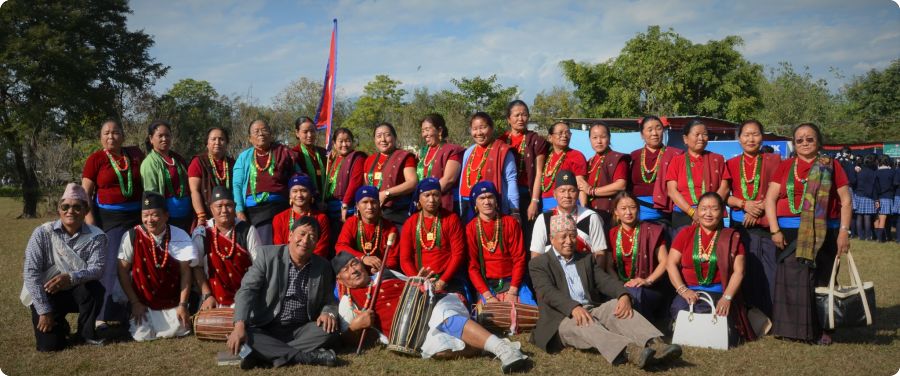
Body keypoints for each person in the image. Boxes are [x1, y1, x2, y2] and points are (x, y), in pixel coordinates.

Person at [332, 252, 529, 373]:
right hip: (411, 333)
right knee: (439, 351)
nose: (353, 270)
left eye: (354, 264)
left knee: (446, 319)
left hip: (432, 305)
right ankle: (493, 344)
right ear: (340, 280)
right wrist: (355, 326)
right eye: (346, 270)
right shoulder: (348, 302)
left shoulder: (387, 273)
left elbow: (413, 282)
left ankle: (505, 352)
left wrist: (418, 282)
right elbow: (346, 339)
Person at [529, 214, 681, 369]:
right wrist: (573, 307)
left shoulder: (585, 259)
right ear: (551, 238)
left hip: (591, 309)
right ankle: (631, 352)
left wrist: (623, 294)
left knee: (616, 305)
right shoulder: (539, 264)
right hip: (561, 319)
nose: (569, 241)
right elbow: (547, 292)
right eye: (563, 237)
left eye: (573, 236)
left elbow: (605, 280)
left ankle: (656, 344)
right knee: (584, 323)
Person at [765, 123, 851, 345]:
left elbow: (846, 200)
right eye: (800, 140)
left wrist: (843, 232)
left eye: (809, 139)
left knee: (822, 279)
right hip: (789, 233)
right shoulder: (785, 167)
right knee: (793, 281)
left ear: (819, 142)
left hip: (824, 232)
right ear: (794, 143)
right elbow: (770, 199)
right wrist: (774, 230)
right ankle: (793, 329)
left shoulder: (831, 166)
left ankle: (824, 327)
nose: (804, 143)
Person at [226, 216, 340, 369]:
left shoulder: (322, 266)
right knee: (248, 335)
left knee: (329, 331)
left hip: (301, 328)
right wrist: (239, 325)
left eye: (312, 237)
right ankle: (306, 357)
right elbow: (247, 290)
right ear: (290, 235)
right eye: (302, 234)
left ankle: (263, 354)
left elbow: (329, 300)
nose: (305, 240)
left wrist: (328, 313)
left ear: (316, 243)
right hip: (266, 325)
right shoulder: (267, 255)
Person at [21, 183, 108, 351]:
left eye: (77, 207)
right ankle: (59, 323)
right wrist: (44, 311)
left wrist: (70, 278)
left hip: (76, 290)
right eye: (65, 206)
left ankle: (86, 333)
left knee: (95, 289)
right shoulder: (42, 233)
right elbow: (31, 274)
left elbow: (97, 268)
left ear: (85, 210)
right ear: (59, 210)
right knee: (49, 346)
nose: (70, 211)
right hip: (47, 293)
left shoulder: (97, 236)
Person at [667, 192, 756, 345]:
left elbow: (739, 271)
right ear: (697, 211)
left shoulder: (731, 237)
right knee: (679, 309)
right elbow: (670, 264)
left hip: (719, 293)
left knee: (718, 317)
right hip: (689, 292)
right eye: (703, 208)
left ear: (723, 212)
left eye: (714, 209)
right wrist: (683, 290)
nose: (708, 213)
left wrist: (727, 298)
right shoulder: (685, 233)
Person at [81, 119, 144, 324]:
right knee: (111, 265)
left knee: (137, 263)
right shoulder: (96, 159)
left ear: (123, 136)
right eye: (106, 133)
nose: (111, 136)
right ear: (100, 138)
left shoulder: (134, 155)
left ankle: (136, 308)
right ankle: (104, 315)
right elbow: (86, 194)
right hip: (109, 220)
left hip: (136, 217)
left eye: (115, 132)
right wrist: (91, 224)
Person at [117, 191, 195, 342]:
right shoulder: (131, 236)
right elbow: (122, 271)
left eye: (154, 215)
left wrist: (183, 304)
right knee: (141, 336)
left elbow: (186, 272)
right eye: (145, 215)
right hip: (143, 303)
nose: (149, 220)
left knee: (181, 330)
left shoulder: (180, 235)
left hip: (172, 301)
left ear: (166, 215)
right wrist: (135, 303)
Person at [723, 120, 781, 317]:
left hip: (766, 224)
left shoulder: (774, 161)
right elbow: (723, 195)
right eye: (746, 135)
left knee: (769, 271)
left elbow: (779, 192)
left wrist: (758, 208)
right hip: (740, 226)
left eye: (755, 134)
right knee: (743, 269)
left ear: (762, 137)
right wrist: (743, 204)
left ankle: (772, 313)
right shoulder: (730, 164)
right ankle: (747, 314)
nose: (750, 139)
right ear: (739, 139)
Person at [190, 186, 261, 309]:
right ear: (211, 209)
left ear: (234, 207)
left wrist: (249, 295)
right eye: (219, 206)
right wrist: (207, 296)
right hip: (213, 300)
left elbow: (259, 266)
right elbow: (197, 267)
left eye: (228, 205)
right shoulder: (201, 233)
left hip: (246, 297)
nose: (224, 210)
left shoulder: (247, 230)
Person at [466, 181, 535, 305]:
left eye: (490, 197)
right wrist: (487, 296)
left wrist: (513, 291)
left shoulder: (510, 223)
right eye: (482, 198)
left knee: (530, 315)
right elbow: (472, 268)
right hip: (487, 286)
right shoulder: (470, 228)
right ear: (475, 203)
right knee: (487, 319)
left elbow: (519, 259)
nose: (487, 202)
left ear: (496, 200)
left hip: (514, 282)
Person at [233, 119, 299, 245]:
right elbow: (237, 185)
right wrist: (239, 211)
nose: (261, 134)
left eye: (264, 130)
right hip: (255, 212)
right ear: (250, 138)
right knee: (263, 248)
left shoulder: (284, 153)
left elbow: (298, 178)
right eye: (256, 131)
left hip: (281, 208)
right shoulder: (244, 157)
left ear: (271, 134)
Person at [606, 191, 669, 320]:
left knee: (636, 293)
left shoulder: (652, 230)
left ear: (638, 209)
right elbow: (609, 266)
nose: (628, 212)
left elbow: (665, 261)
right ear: (616, 212)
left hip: (649, 287)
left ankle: (644, 335)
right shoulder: (612, 233)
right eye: (623, 208)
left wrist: (647, 280)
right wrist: (620, 286)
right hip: (622, 286)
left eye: (632, 207)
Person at [399, 178, 467, 295]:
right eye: (427, 195)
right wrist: (417, 280)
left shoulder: (451, 219)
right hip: (419, 280)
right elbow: (405, 259)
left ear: (441, 197)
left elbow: (458, 254)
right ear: (419, 199)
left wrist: (442, 281)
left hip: (448, 280)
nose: (431, 200)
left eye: (435, 195)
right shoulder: (410, 223)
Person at [497, 100, 549, 248]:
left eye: (524, 115)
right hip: (506, 197)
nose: (521, 119)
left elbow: (539, 172)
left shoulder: (536, 140)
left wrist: (534, 201)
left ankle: (529, 270)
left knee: (529, 237)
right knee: (508, 236)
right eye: (517, 115)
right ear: (508, 119)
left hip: (528, 195)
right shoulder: (501, 141)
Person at [530, 170, 608, 266]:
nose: (567, 196)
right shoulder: (544, 219)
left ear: (578, 193)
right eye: (562, 191)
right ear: (554, 194)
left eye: (572, 191)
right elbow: (536, 254)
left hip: (585, 275)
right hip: (553, 275)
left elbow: (600, 253)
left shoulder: (591, 217)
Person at [665, 119, 729, 230]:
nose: (701, 138)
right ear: (685, 139)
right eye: (697, 134)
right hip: (684, 215)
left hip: (712, 215)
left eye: (704, 134)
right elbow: (672, 191)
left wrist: (709, 211)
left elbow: (725, 188)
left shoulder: (717, 159)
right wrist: (693, 212)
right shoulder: (676, 161)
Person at [459, 112, 519, 222]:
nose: (479, 133)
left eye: (483, 128)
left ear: (491, 128)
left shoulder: (503, 151)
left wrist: (514, 209)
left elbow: (511, 180)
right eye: (474, 129)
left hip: (491, 206)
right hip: (468, 205)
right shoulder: (469, 152)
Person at [629, 116, 683, 227]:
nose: (654, 133)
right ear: (642, 134)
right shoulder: (634, 156)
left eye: (658, 128)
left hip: (665, 214)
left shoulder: (676, 155)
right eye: (649, 130)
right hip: (635, 214)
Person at [363, 122, 418, 229]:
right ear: (374, 140)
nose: (383, 139)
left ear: (395, 137)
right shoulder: (369, 160)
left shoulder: (405, 157)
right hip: (373, 212)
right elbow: (365, 186)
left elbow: (412, 183)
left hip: (397, 212)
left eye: (387, 135)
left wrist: (386, 193)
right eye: (378, 136)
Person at [140, 120, 193, 232]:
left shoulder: (178, 159)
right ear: (151, 139)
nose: (164, 139)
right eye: (160, 136)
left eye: (167, 135)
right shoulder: (149, 163)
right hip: (167, 219)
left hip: (187, 216)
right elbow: (152, 195)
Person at [335, 185, 401, 271]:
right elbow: (341, 247)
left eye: (373, 202)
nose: (370, 207)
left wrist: (382, 268)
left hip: (381, 273)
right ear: (357, 206)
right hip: (355, 271)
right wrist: (363, 258)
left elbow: (393, 258)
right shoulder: (351, 223)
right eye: (365, 202)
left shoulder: (390, 228)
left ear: (379, 204)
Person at [579, 122, 629, 229]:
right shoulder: (589, 162)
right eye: (594, 137)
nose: (599, 141)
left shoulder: (618, 158)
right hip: (591, 214)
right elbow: (582, 187)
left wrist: (592, 191)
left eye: (603, 137)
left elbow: (621, 185)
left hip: (611, 214)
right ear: (590, 140)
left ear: (609, 138)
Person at [272, 175, 332, 259]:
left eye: (303, 191)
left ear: (311, 194)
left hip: (313, 265)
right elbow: (279, 247)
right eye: (295, 191)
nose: (299, 195)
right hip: (285, 263)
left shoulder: (321, 218)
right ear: (289, 195)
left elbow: (321, 249)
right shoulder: (279, 218)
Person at [417, 114, 464, 213]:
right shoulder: (422, 153)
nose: (424, 134)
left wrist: (427, 199)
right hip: (421, 205)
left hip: (442, 205)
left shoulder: (452, 150)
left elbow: (448, 180)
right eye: (423, 131)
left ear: (439, 130)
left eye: (428, 129)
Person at [188, 126, 234, 226]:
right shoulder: (198, 162)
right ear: (207, 143)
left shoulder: (233, 164)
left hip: (229, 216)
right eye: (213, 139)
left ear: (226, 143)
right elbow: (194, 190)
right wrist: (201, 215)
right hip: (206, 217)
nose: (217, 142)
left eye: (221, 139)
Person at [323, 128, 366, 229]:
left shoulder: (357, 158)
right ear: (334, 143)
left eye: (347, 141)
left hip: (346, 208)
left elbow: (355, 182)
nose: (344, 144)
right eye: (340, 141)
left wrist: (345, 205)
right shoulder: (335, 159)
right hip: (331, 207)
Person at [540, 122, 588, 210]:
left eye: (567, 133)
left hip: (568, 205)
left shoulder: (576, 155)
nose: (565, 136)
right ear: (550, 137)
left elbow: (581, 186)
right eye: (560, 133)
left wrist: (583, 209)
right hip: (545, 204)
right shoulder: (546, 156)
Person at [293, 117, 327, 206]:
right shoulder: (294, 154)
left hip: (326, 201)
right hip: (305, 202)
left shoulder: (323, 153)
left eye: (312, 131)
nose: (310, 135)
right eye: (305, 132)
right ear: (297, 133)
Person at [852, 155, 878, 241]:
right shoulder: (874, 173)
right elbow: (874, 187)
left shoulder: (859, 171)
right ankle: (868, 236)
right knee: (867, 217)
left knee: (859, 216)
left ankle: (860, 236)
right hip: (869, 196)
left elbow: (854, 182)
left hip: (859, 195)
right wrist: (876, 199)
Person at [874, 155, 895, 242]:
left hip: (879, 197)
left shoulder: (876, 172)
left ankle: (884, 237)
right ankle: (881, 239)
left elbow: (875, 187)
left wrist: (876, 199)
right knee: (884, 218)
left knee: (880, 218)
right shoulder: (892, 172)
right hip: (888, 196)